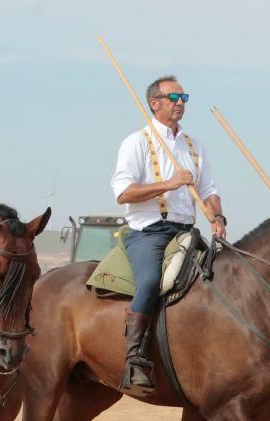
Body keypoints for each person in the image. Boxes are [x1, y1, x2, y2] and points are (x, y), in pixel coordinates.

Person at [111, 75, 225, 394]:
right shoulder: (137, 142)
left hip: (186, 231)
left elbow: (209, 189)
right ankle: (134, 358)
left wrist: (217, 215)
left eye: (184, 98)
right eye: (174, 98)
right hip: (148, 232)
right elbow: (123, 193)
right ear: (154, 103)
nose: (180, 103)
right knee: (148, 282)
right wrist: (168, 183)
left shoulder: (194, 145)